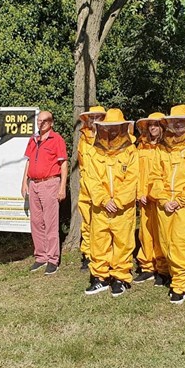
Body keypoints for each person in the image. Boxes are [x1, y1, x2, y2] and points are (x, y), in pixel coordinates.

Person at [83, 108, 138, 297]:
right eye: (110, 127)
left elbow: (132, 180)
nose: (113, 131)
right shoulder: (93, 151)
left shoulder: (131, 151)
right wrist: (104, 200)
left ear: (123, 128)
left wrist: (119, 201)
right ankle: (100, 278)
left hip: (123, 208)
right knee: (99, 241)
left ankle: (120, 278)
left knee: (123, 243)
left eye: (116, 127)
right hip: (101, 207)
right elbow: (91, 179)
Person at [148, 105, 185, 303]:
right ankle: (172, 274)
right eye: (174, 121)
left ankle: (182, 284)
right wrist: (163, 198)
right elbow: (155, 176)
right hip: (164, 203)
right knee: (166, 242)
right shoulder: (161, 149)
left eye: (181, 121)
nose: (177, 125)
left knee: (179, 241)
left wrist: (179, 200)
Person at [21, 111, 68, 275]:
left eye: (45, 121)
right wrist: (24, 182)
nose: (41, 123)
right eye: (39, 120)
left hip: (49, 183)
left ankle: (53, 259)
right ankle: (40, 257)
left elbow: (63, 164)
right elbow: (28, 162)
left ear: (51, 123)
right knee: (36, 222)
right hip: (34, 184)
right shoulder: (33, 140)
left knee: (50, 222)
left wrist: (62, 187)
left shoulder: (57, 140)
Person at [134, 112, 167, 284]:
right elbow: (137, 172)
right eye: (150, 125)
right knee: (145, 233)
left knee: (161, 232)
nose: (153, 128)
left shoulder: (167, 146)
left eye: (156, 124)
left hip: (161, 197)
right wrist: (140, 193)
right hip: (145, 197)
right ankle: (147, 266)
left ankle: (163, 268)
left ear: (162, 127)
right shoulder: (142, 146)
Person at [77, 106, 106, 271]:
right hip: (85, 188)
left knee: (101, 223)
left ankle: (101, 254)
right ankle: (88, 256)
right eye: (92, 117)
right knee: (86, 223)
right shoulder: (83, 139)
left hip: (101, 189)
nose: (94, 120)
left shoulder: (109, 137)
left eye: (98, 117)